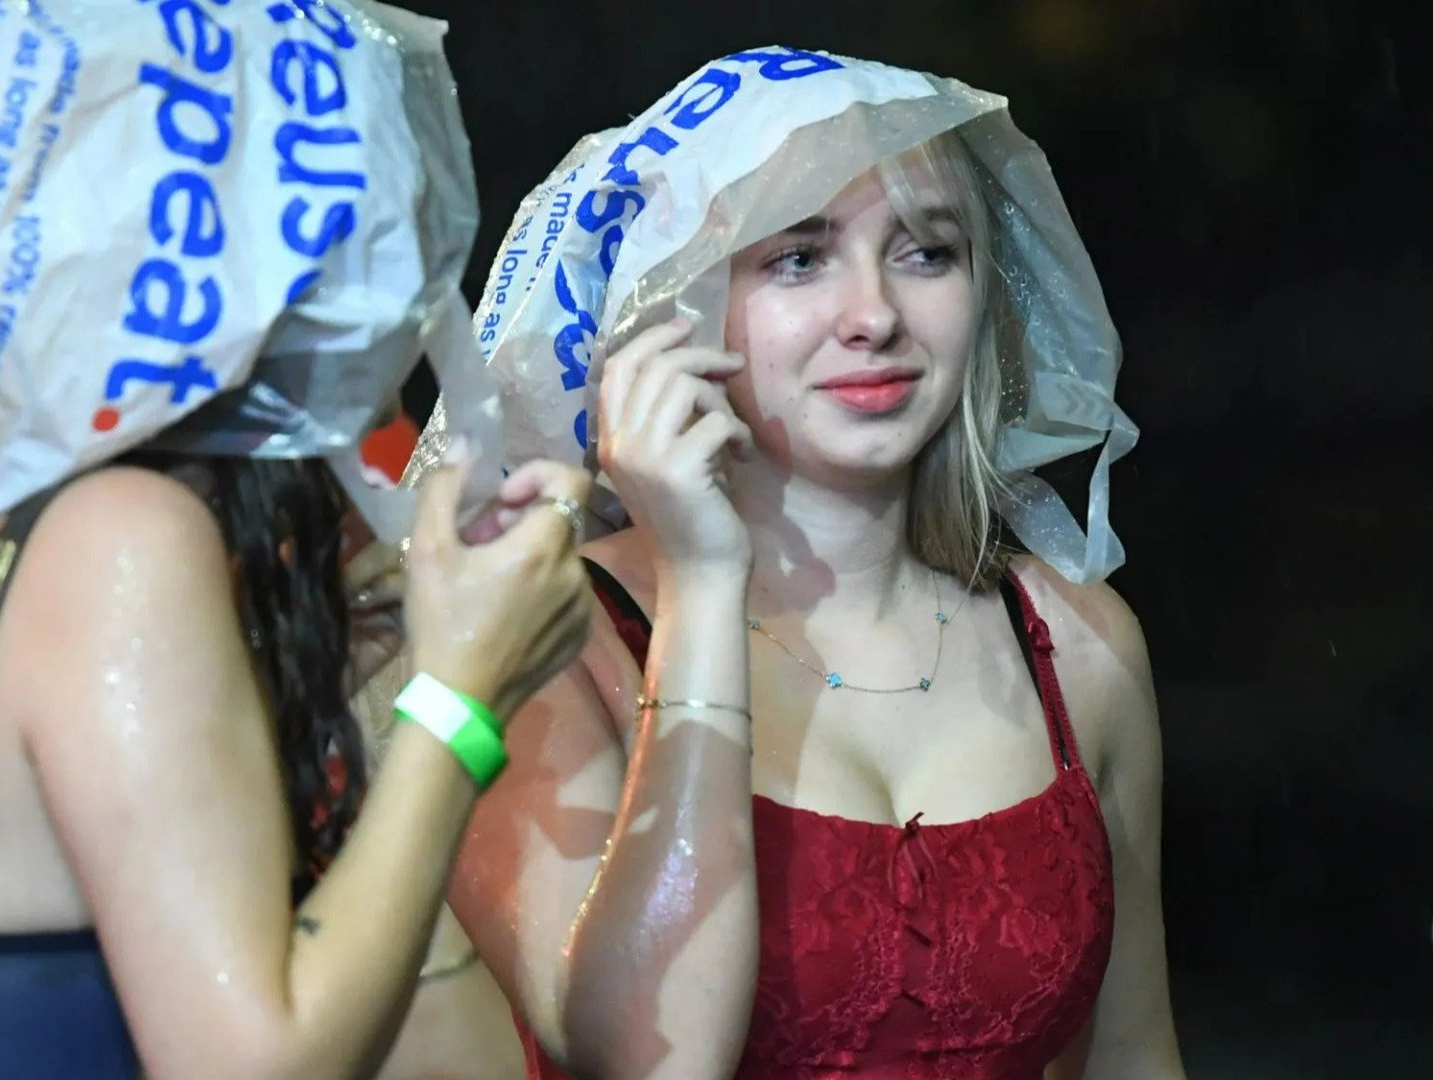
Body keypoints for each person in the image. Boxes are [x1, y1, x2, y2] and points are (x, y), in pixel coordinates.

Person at [415, 51, 1189, 1079]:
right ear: (680, 309)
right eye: (798, 258)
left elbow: (1135, 1060)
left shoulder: (1082, 645)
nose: (873, 315)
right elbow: (642, 1057)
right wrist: (697, 581)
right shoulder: (548, 636)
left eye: (927, 252)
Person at [0, 443, 592, 1079]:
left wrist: (287, 694)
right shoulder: (119, 538)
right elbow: (255, 1063)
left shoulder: (17, 541)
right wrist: (461, 696)